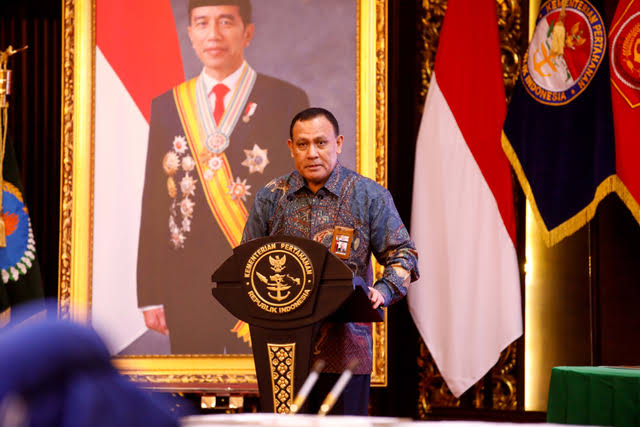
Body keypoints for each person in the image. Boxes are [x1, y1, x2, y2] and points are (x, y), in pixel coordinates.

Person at [135, 0, 309, 355]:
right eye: (202, 23)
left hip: (267, 276)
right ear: (190, 34)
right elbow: (155, 201)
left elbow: (303, 197)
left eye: (225, 22)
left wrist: (301, 278)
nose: (213, 34)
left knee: (263, 384)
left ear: (248, 32)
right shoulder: (168, 105)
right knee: (195, 385)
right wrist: (150, 292)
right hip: (186, 282)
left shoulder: (286, 99)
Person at [241, 107, 419, 415]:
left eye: (321, 143)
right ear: (291, 147)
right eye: (302, 144)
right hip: (283, 354)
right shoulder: (271, 197)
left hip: (346, 351)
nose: (312, 153)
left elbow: (404, 253)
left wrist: (384, 290)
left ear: (338, 143)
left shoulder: (368, 196)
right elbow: (247, 261)